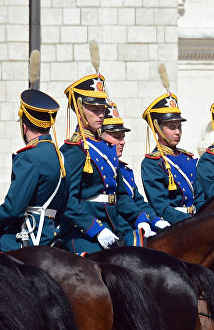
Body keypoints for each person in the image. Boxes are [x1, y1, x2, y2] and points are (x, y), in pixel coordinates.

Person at [59, 71, 158, 254]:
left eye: (102, 109)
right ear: (80, 109)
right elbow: (68, 202)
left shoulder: (106, 148)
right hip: (82, 233)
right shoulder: (73, 150)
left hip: (113, 227)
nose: (100, 114)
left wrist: (139, 218)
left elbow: (120, 195)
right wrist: (95, 229)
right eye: (94, 109)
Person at [0, 71, 67, 250]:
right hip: (50, 233)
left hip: (28, 237)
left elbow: (13, 210)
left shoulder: (29, 157)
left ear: (24, 125)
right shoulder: (60, 156)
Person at [101, 102, 167, 246]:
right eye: (117, 136)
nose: (123, 142)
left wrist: (155, 220)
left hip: (132, 229)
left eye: (123, 136)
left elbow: (137, 200)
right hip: (116, 233)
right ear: (101, 137)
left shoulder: (124, 170)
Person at [140, 86, 197, 224]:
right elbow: (161, 207)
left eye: (179, 127)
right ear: (157, 128)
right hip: (174, 225)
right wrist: (192, 221)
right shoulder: (152, 163)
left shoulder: (188, 158)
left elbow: (200, 196)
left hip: (198, 221)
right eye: (172, 127)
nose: (177, 132)